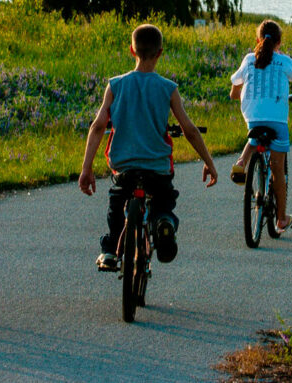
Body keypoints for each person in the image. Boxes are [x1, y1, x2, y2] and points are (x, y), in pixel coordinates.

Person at [79, 24, 218, 271]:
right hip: (157, 168)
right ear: (160, 53)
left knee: (117, 206)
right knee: (163, 202)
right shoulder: (168, 88)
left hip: (125, 168)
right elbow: (189, 129)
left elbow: (99, 126)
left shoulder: (115, 85)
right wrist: (209, 162)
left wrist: (86, 168)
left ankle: (111, 251)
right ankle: (163, 222)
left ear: (132, 50)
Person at [229, 19, 292, 233]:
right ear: (279, 42)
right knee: (278, 170)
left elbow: (235, 87)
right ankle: (281, 219)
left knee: (255, 136)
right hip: (277, 121)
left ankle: (242, 161)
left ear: (257, 40)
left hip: (252, 117)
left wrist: (236, 94)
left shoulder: (249, 59)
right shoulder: (283, 61)